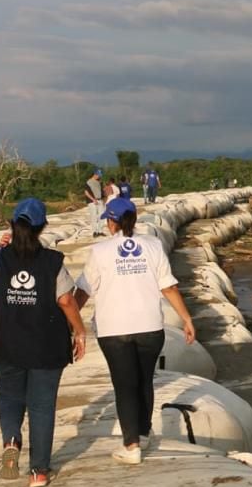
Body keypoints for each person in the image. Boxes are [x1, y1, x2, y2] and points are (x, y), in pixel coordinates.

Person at [0, 198, 87, 487]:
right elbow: (66, 299)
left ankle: (11, 440)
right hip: (47, 347)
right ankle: (39, 472)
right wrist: (79, 331)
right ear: (43, 228)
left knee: (9, 397)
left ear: (12, 224)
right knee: (41, 406)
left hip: (6, 344)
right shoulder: (52, 261)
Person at [74, 197, 196, 465]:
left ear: (110, 221)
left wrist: (72, 324)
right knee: (144, 380)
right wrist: (186, 318)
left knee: (124, 385)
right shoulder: (153, 245)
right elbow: (169, 287)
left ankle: (131, 445)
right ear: (135, 219)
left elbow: (83, 290)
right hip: (150, 326)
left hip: (114, 329)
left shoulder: (100, 251)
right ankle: (143, 430)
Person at [84, 170, 104, 236]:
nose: (99, 177)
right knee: (94, 216)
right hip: (92, 201)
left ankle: (100, 231)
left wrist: (102, 200)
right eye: (98, 175)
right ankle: (95, 232)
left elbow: (101, 192)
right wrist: (93, 199)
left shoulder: (99, 182)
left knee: (102, 215)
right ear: (95, 174)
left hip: (100, 200)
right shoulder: (89, 182)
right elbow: (86, 192)